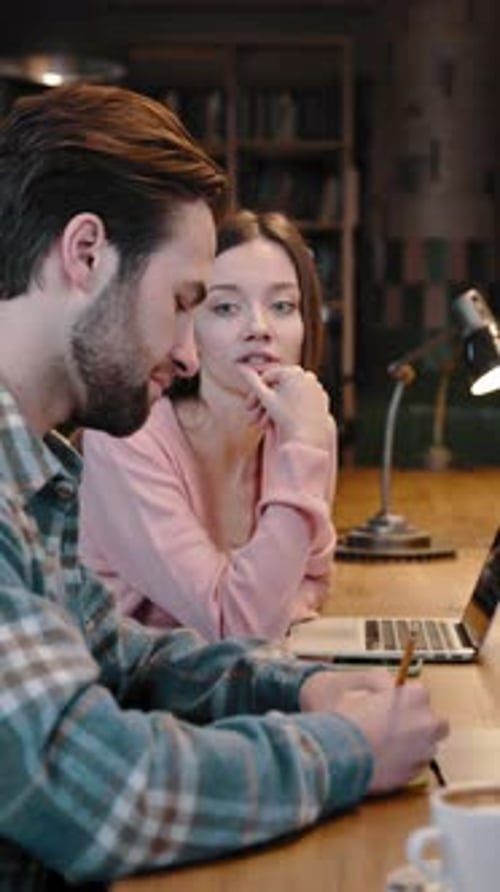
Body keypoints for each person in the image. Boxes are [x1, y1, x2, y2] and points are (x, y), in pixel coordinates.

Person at [0, 82, 447, 892]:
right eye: (184, 304)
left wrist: (300, 683)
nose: (187, 351)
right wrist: (349, 750)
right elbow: (98, 789)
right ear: (87, 255)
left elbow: (120, 657)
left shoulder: (33, 469)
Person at [79, 209, 336, 641]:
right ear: (187, 322)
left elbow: (313, 581)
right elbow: (235, 626)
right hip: (129, 696)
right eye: (225, 307)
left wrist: (274, 614)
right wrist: (305, 446)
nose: (259, 328)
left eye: (283, 306)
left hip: (247, 680)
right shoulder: (127, 440)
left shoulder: (304, 428)